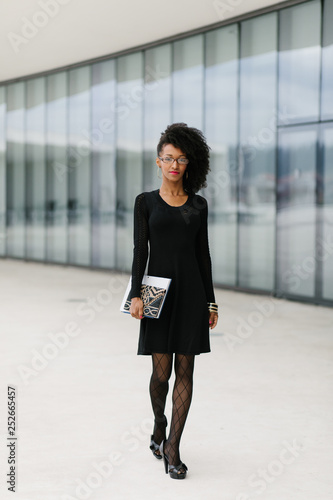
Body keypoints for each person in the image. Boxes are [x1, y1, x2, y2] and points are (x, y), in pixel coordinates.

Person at [129, 122, 218, 480]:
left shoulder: (198, 205)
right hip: (156, 293)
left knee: (186, 369)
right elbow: (140, 251)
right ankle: (159, 423)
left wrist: (211, 303)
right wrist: (136, 294)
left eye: (181, 159)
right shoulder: (146, 202)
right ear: (158, 162)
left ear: (188, 163)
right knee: (160, 373)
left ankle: (173, 447)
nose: (174, 165)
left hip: (192, 294)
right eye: (168, 158)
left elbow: (204, 255)